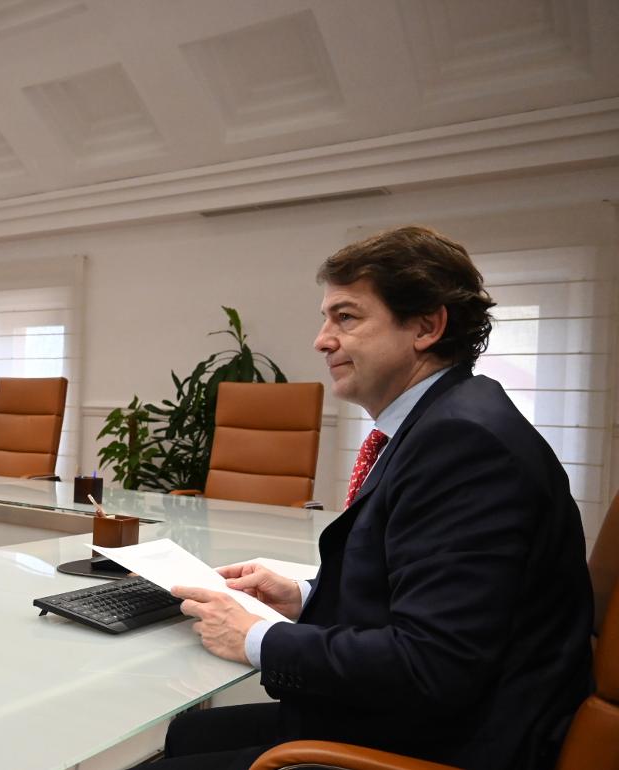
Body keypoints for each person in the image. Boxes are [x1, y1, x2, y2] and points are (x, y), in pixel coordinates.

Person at [160, 226, 593, 770]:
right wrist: (302, 596)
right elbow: (419, 584)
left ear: (427, 326)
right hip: (425, 718)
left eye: (346, 317)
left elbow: (432, 665)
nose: (321, 339)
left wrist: (258, 639)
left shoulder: (464, 443)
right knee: (189, 734)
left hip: (454, 742)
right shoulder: (443, 418)